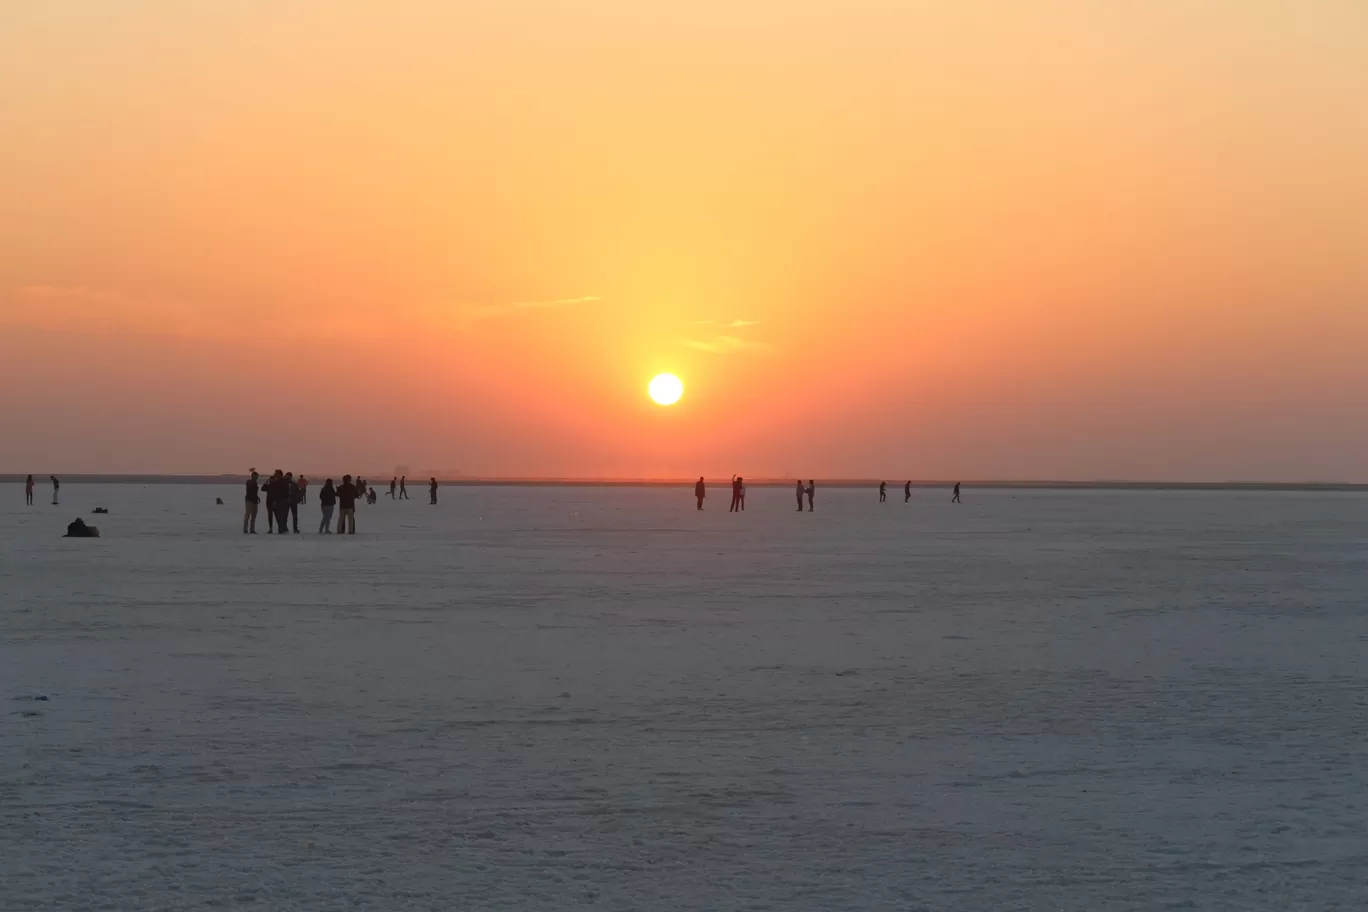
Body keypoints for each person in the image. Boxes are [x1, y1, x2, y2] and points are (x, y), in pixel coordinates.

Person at [244, 470, 261, 534]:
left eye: (256, 476)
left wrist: (257, 497)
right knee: (247, 515)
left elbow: (254, 492)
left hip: (254, 501)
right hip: (249, 501)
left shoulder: (255, 483)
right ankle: (245, 529)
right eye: (255, 476)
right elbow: (249, 486)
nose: (256, 477)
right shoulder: (249, 482)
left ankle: (252, 529)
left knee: (253, 516)